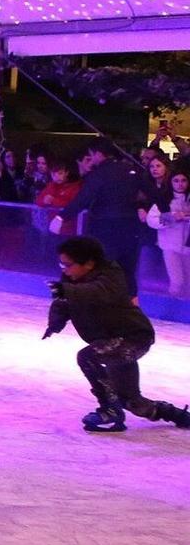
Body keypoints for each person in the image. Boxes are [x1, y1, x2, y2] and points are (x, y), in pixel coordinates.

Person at [43, 235, 190, 432]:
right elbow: (64, 302)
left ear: (89, 263)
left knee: (87, 357)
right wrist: (56, 323)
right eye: (62, 266)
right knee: (131, 401)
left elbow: (97, 292)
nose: (65, 270)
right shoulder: (72, 281)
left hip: (133, 338)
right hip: (112, 341)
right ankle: (177, 415)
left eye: (68, 265)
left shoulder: (111, 275)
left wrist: (67, 291)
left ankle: (109, 410)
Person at [61, 139, 152, 285]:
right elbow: (150, 193)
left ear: (98, 154)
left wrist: (62, 216)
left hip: (104, 228)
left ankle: (100, 299)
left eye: (91, 155)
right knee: (127, 271)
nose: (91, 160)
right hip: (129, 228)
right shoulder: (130, 170)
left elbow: (84, 199)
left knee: (100, 267)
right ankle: (130, 301)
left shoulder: (98, 174)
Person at [144, 169, 190, 295]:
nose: (180, 184)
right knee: (177, 282)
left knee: (188, 284)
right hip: (170, 246)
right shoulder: (164, 200)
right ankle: (172, 307)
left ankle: (183, 310)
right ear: (171, 182)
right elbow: (152, 220)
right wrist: (172, 217)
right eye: (176, 181)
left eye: (183, 180)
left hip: (187, 248)